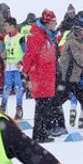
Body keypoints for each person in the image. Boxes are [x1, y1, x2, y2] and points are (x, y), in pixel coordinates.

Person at [21, 9, 60, 142]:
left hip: (46, 75)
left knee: (44, 105)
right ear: (48, 22)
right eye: (54, 21)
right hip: (40, 75)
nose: (56, 24)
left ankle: (41, 133)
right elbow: (30, 55)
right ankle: (39, 134)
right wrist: (26, 71)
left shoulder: (46, 35)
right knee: (42, 106)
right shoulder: (38, 36)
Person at [0, 18, 27, 120]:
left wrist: (21, 62)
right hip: (8, 66)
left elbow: (26, 52)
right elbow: (7, 50)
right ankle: (3, 107)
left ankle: (19, 109)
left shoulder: (20, 37)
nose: (5, 28)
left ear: (12, 26)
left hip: (17, 67)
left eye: (6, 25)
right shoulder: (6, 37)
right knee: (6, 88)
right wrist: (4, 55)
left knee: (18, 88)